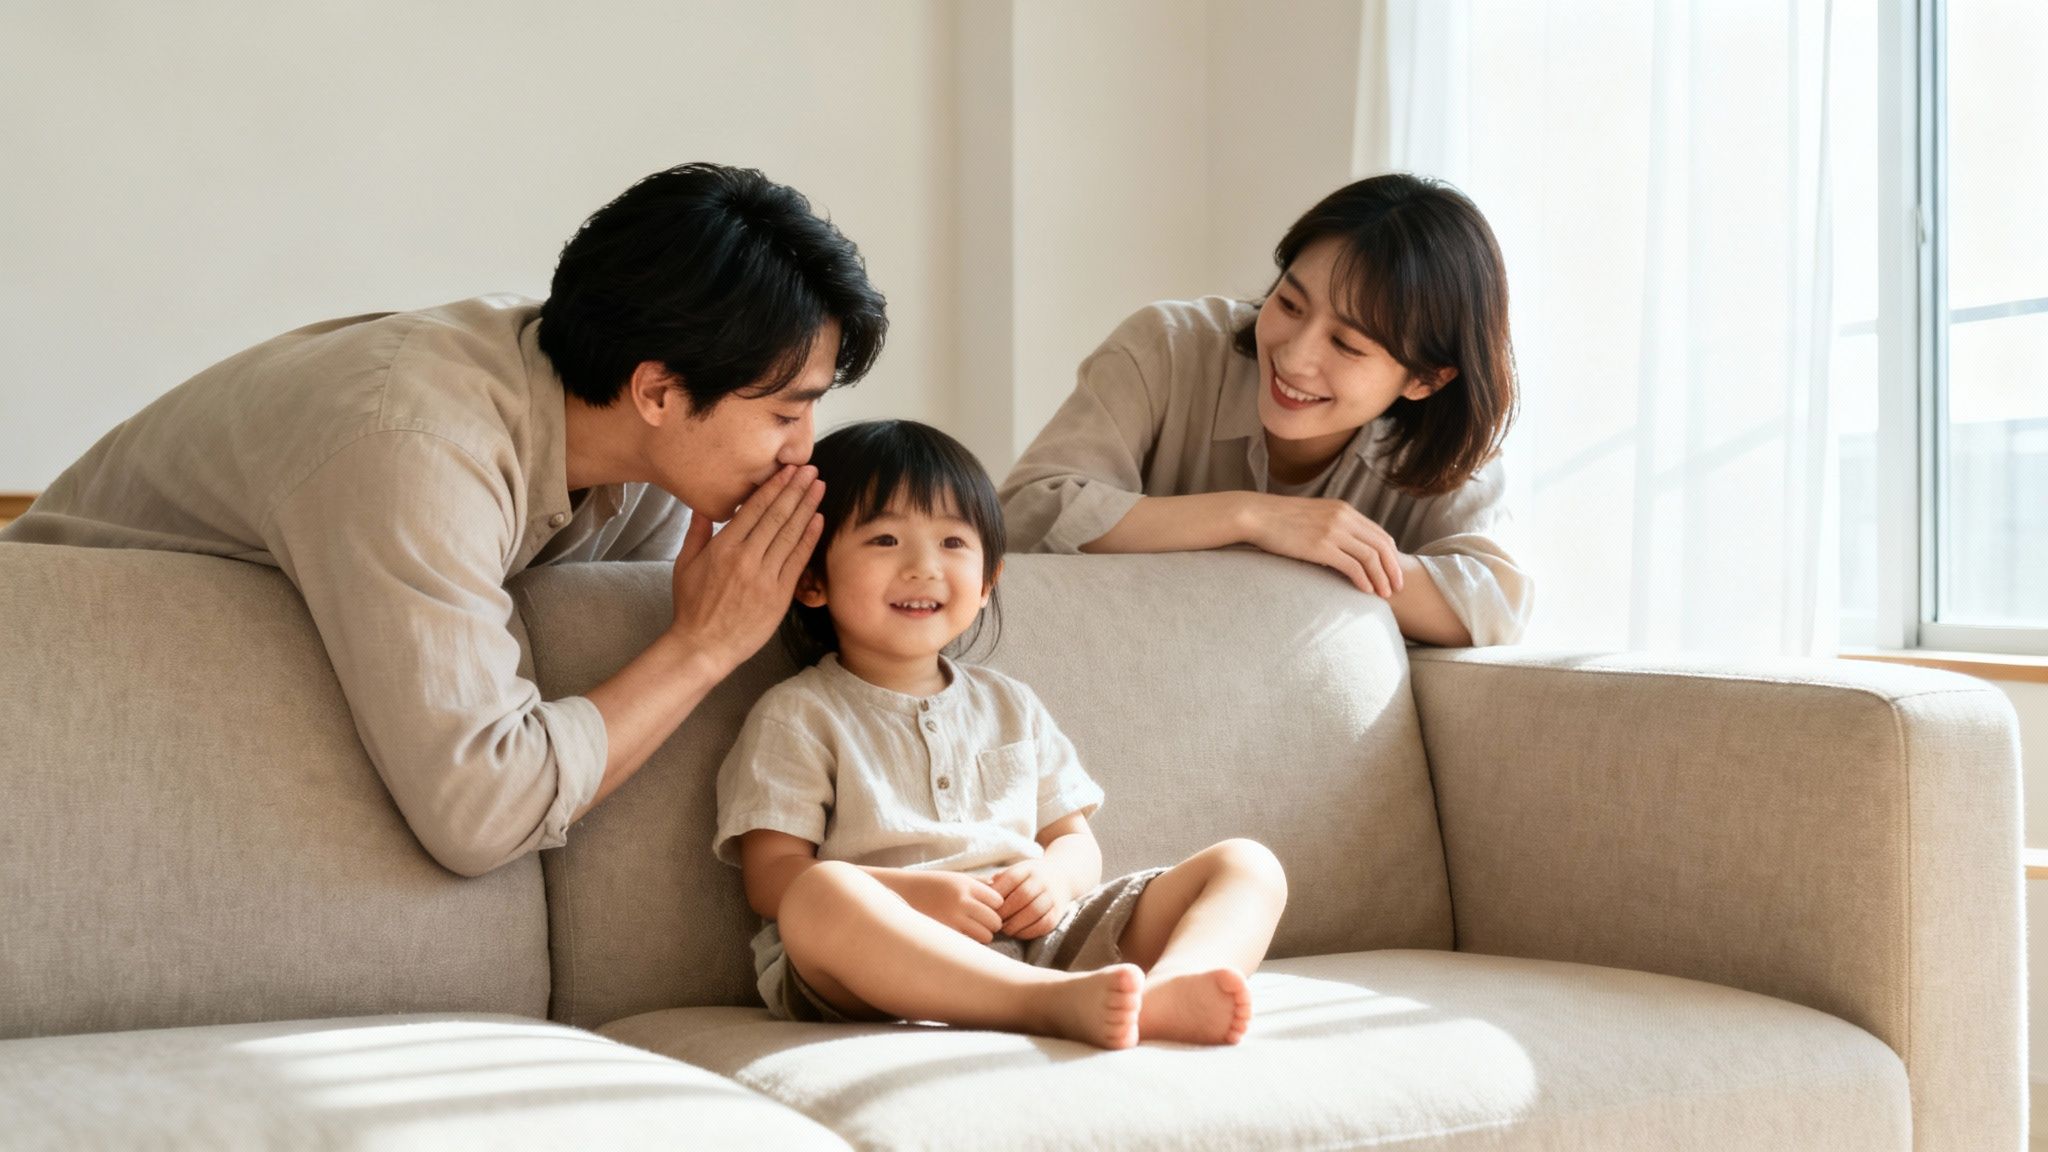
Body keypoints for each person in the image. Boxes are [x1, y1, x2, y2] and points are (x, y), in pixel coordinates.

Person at [0, 163, 887, 877]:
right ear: (657, 391)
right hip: (58, 694)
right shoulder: (415, 446)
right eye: (785, 412)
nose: (801, 449)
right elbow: (479, 811)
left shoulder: (646, 447)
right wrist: (703, 645)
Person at [715, 420, 1289, 1049]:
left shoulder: (1010, 704)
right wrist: (915, 897)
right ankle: (1039, 1005)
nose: (924, 567)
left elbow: (1074, 841)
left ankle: (1173, 988)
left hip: (1040, 935)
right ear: (812, 580)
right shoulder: (799, 714)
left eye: (952, 542)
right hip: (887, 955)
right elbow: (772, 879)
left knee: (1248, 864)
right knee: (818, 895)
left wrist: (1053, 880)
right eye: (884, 538)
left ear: (988, 581)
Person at [1000, 173, 1531, 647]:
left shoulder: (1449, 449)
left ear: (1426, 379)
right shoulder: (1166, 348)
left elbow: (1497, 606)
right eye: (1289, 304)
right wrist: (1251, 518)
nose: (1295, 358)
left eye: (1346, 344)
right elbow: (1025, 512)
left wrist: (1323, 552)